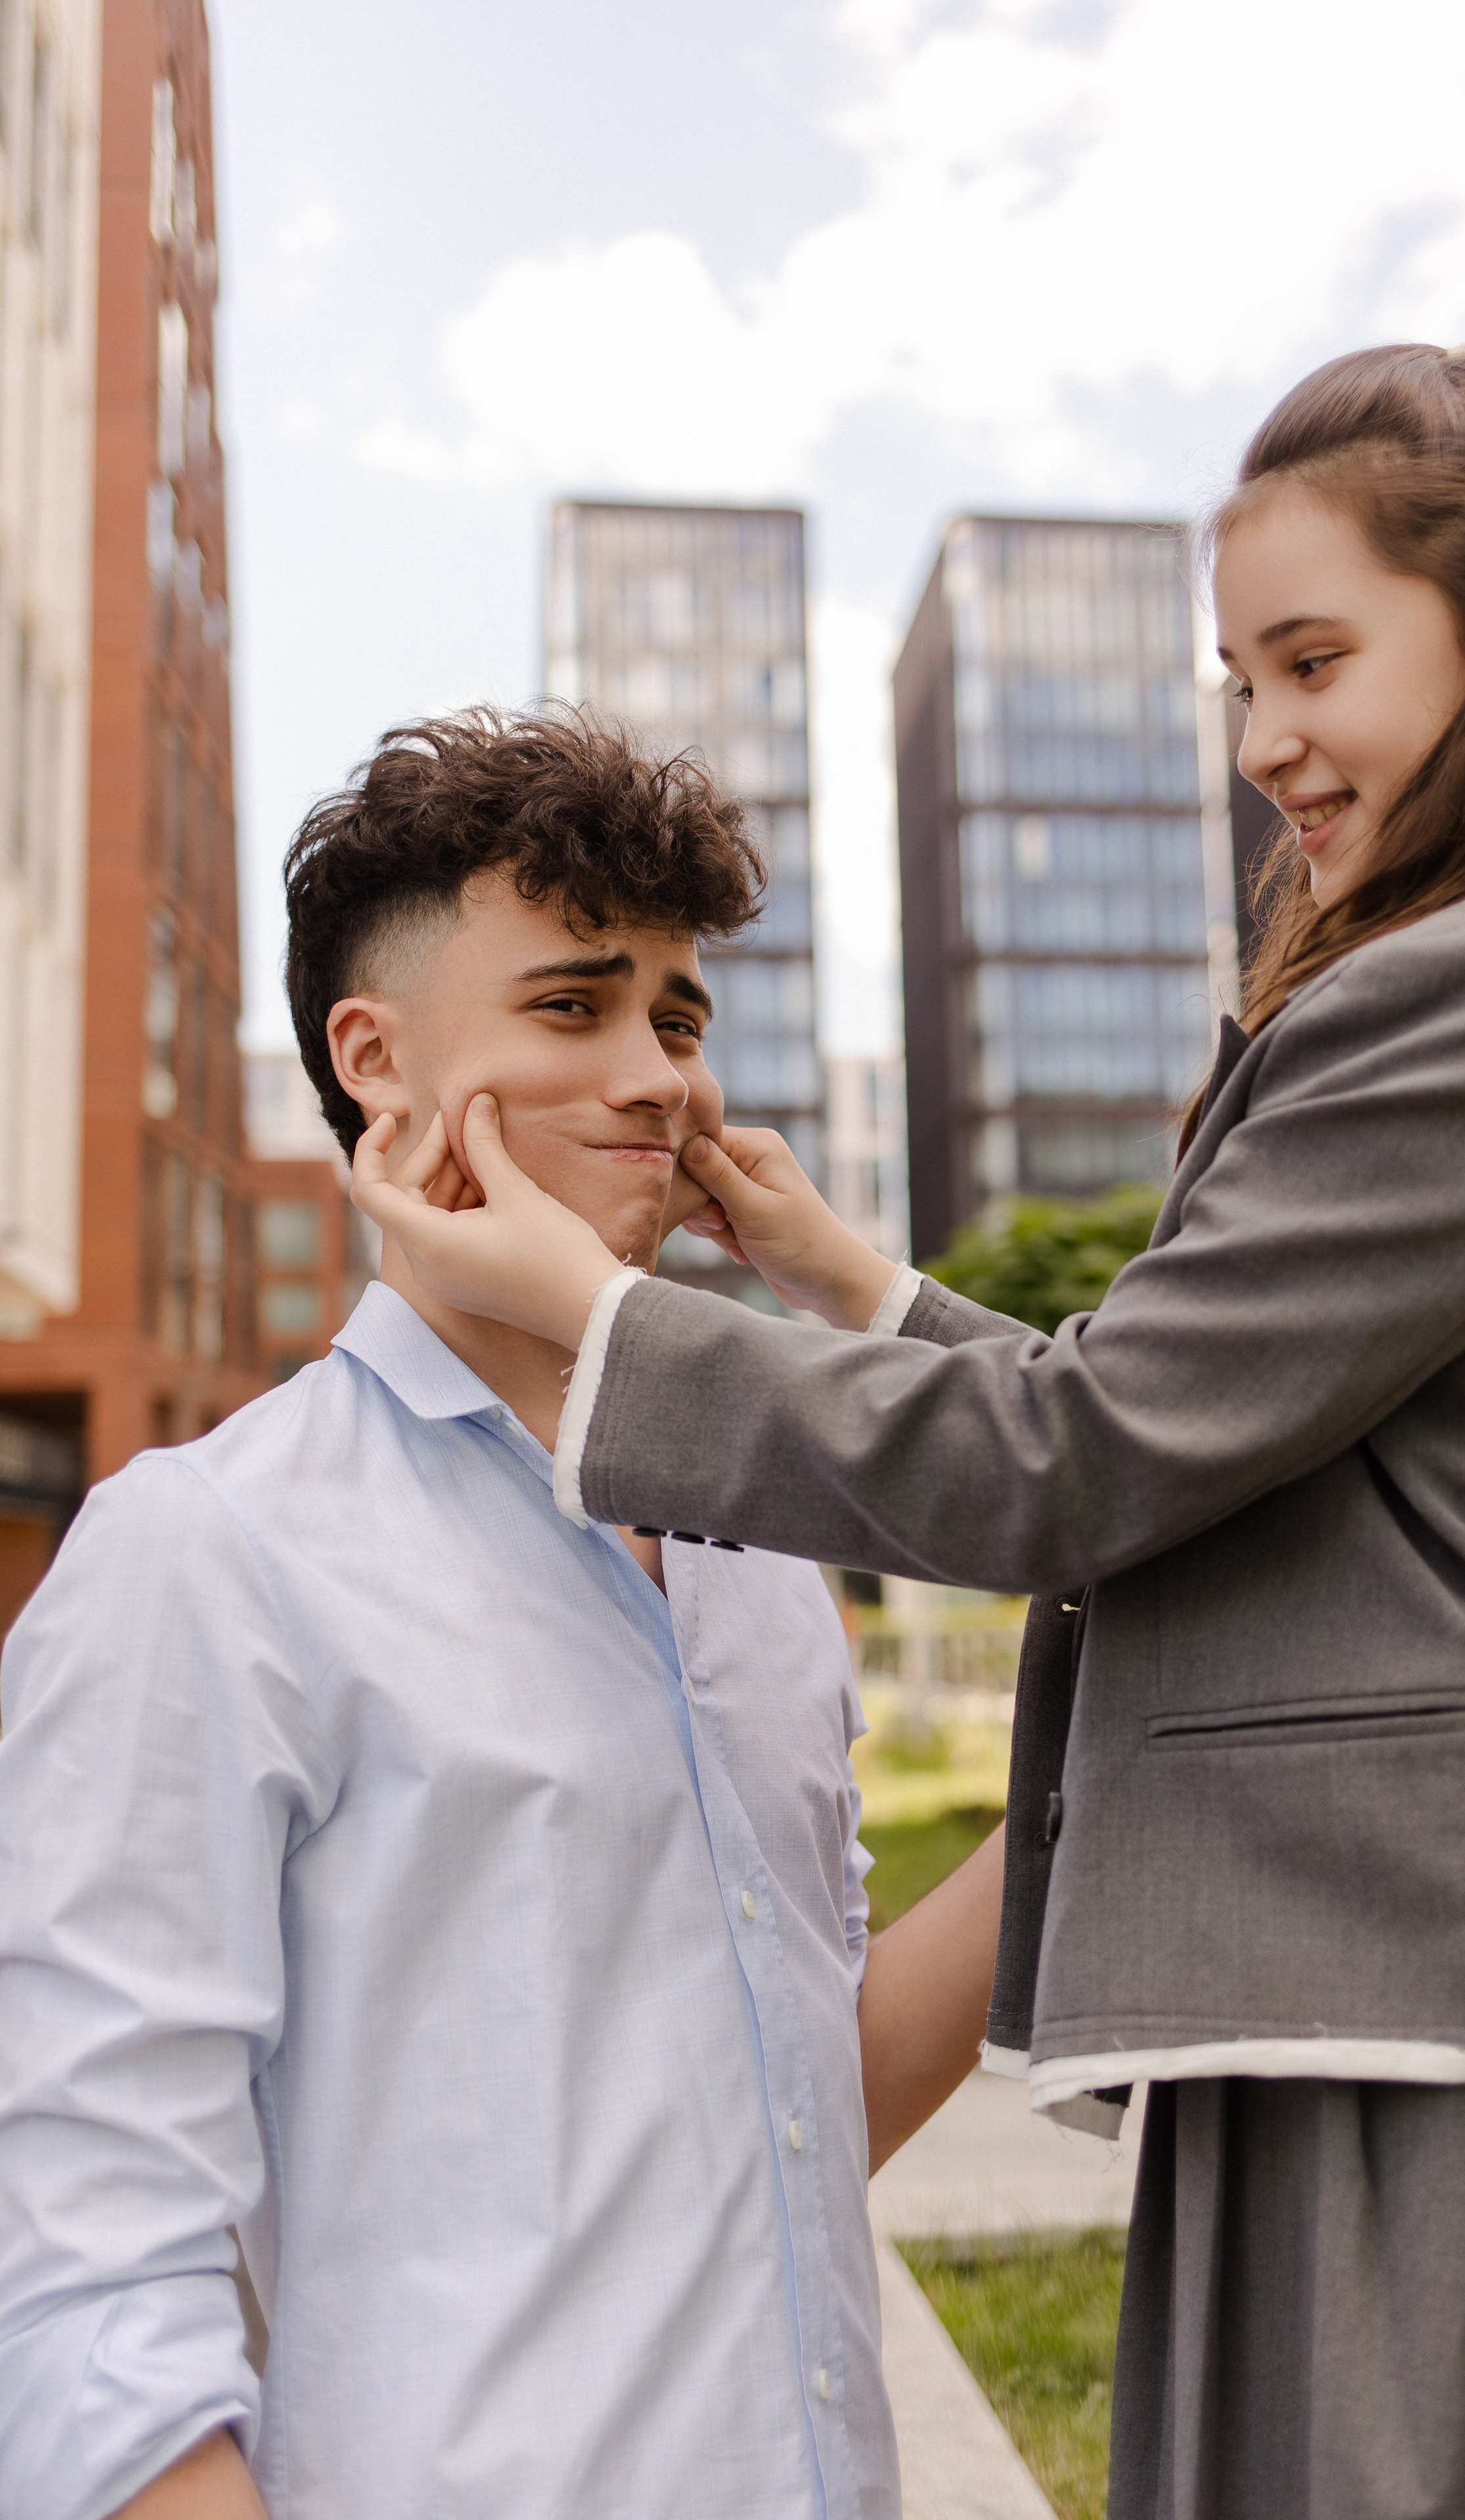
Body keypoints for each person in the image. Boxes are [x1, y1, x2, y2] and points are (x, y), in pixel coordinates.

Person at [355, 347, 1465, 2518]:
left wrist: (594, 1321)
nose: (1261, 745)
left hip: (1450, 2021)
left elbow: (1093, 1460)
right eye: (1236, 681)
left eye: (1315, 662)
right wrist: (851, 1283)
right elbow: (1217, 1433)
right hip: (1403, 1996)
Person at [0, 710, 1006, 2520]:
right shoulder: (209, 1553)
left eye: (678, 1022)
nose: (657, 1080)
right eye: (571, 1005)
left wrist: (1115, 1751)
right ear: (373, 1059)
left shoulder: (760, 1557)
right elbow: (86, 2269)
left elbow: (797, 2101)